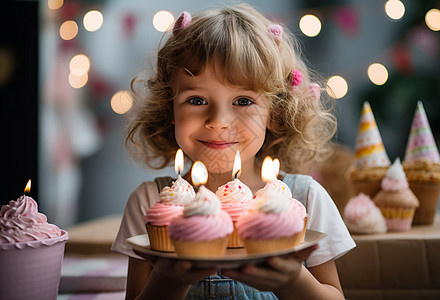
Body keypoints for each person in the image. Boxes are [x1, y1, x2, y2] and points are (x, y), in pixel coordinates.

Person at [112, 3, 355, 299]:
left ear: (275, 114)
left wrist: (293, 282)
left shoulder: (306, 199)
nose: (218, 122)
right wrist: (169, 280)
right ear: (170, 108)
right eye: (197, 100)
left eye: (242, 101)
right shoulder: (150, 204)